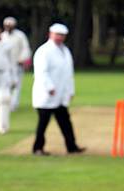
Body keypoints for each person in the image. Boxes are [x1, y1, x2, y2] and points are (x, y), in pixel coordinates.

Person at [32, 23, 85, 155]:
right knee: (43, 123)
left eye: (62, 35)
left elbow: (68, 73)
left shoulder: (65, 50)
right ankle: (38, 148)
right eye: (57, 35)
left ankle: (71, 146)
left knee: (65, 122)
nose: (60, 38)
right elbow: (41, 72)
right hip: (46, 94)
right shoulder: (44, 51)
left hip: (61, 94)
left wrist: (70, 90)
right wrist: (49, 87)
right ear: (50, 34)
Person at [1, 17, 31, 111]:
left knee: (16, 85)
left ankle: (14, 104)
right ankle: (6, 102)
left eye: (10, 26)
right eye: (7, 26)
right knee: (6, 85)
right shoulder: (2, 36)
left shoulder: (20, 35)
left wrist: (22, 59)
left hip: (17, 64)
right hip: (5, 66)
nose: (9, 27)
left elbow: (26, 48)